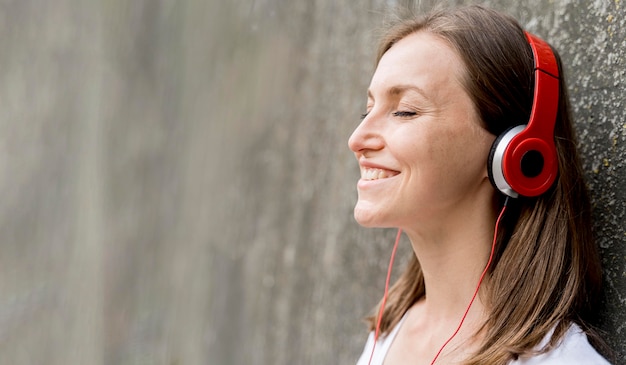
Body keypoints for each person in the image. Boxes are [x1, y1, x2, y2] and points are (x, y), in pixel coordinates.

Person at [348, 5, 612, 365]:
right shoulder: (388, 331)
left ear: (515, 153)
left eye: (405, 110)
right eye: (368, 110)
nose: (357, 138)